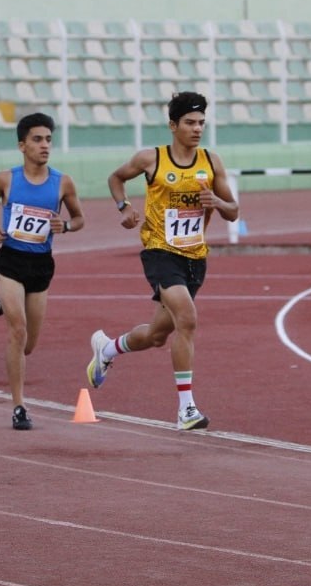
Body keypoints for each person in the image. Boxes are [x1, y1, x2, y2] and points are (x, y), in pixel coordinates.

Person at [86, 91, 238, 431]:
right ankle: (186, 410)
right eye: (190, 123)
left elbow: (233, 212)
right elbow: (116, 178)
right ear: (173, 125)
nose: (197, 129)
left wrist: (216, 200)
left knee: (157, 335)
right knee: (187, 318)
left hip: (194, 257)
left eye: (201, 123)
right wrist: (123, 207)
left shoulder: (212, 163)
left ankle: (108, 349)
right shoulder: (151, 159)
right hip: (160, 252)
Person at [0, 112, 85, 430]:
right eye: (37, 139)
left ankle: (2, 303)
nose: (45, 145)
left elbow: (80, 219)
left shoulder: (62, 182)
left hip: (40, 265)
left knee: (29, 345)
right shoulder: (5, 179)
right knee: (17, 330)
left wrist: (64, 225)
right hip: (9, 261)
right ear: (22, 145)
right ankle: (19, 406)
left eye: (48, 139)